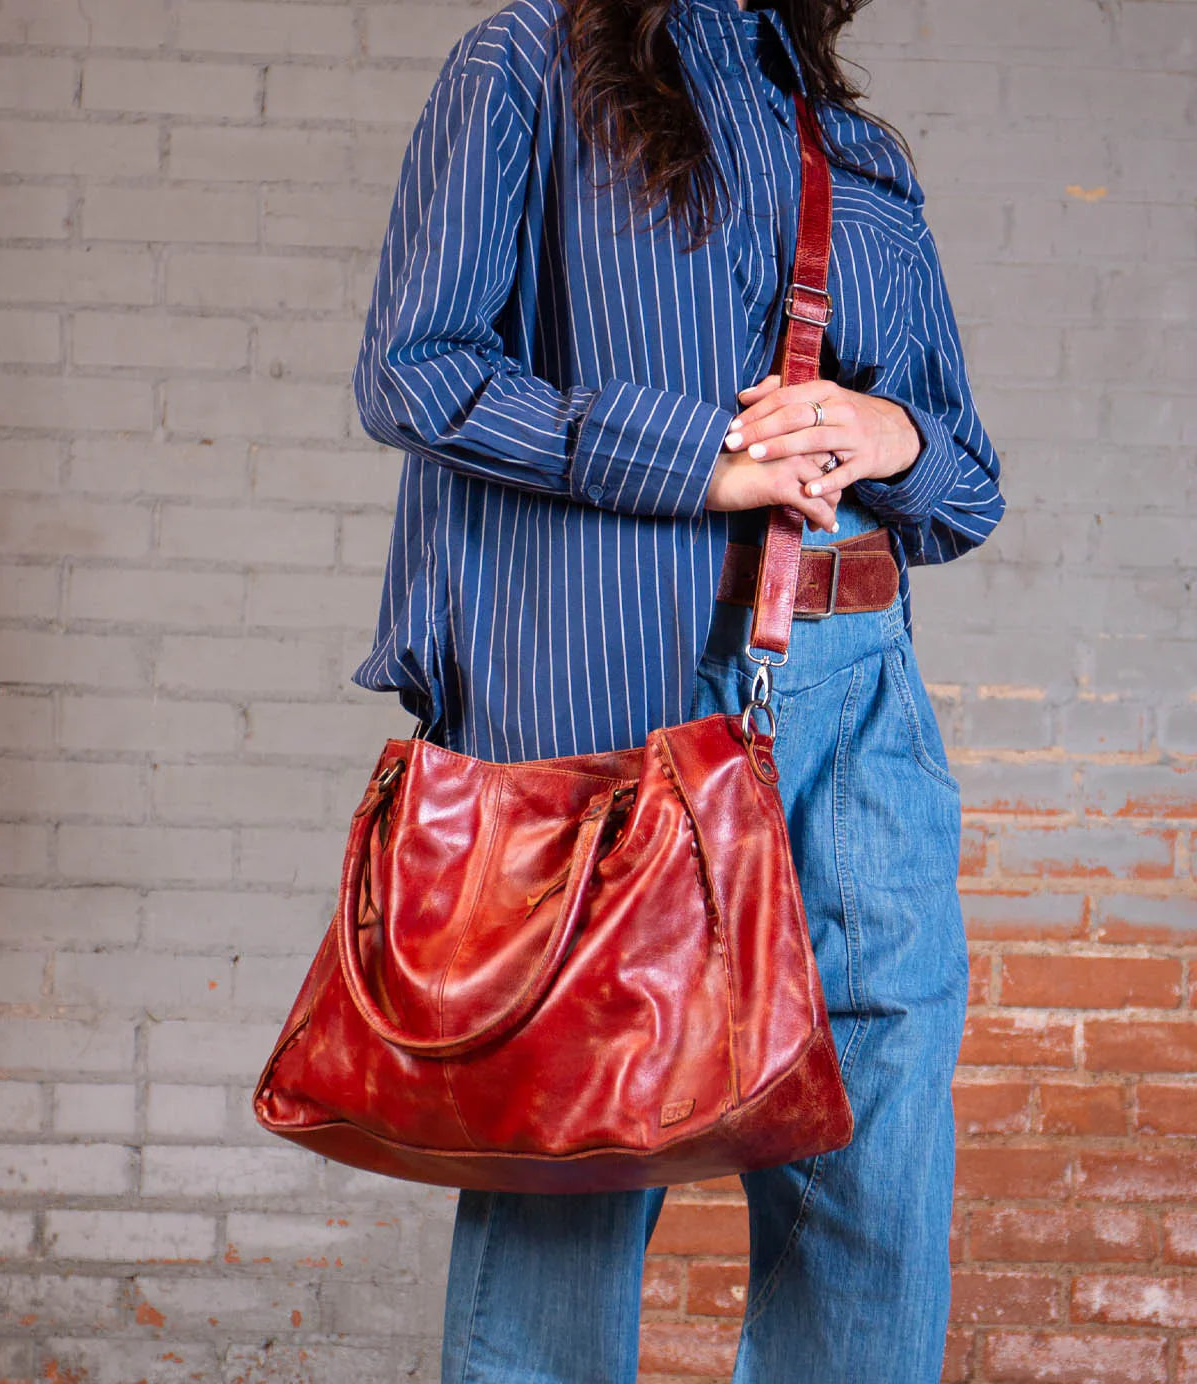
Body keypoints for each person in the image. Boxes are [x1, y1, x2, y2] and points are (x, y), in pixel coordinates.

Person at [351, 0, 1005, 1375]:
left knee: (877, 1184)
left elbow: (966, 482)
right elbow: (417, 371)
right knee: (573, 1188)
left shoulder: (846, 141)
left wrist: (885, 430)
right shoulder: (526, 60)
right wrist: (699, 458)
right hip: (613, 697)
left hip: (858, 697)